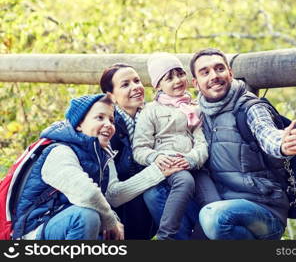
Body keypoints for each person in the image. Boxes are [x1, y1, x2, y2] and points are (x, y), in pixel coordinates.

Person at [13, 93, 175, 240]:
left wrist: (158, 172)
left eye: (111, 120)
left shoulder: (101, 153)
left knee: (97, 219)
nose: (108, 124)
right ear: (79, 125)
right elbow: (87, 194)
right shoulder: (60, 152)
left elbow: (112, 195)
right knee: (86, 216)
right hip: (36, 231)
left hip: (69, 225)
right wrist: (111, 221)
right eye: (99, 118)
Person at [189, 48, 296, 240]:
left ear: (230, 73)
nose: (214, 76)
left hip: (262, 209)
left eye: (219, 69)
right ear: (195, 83)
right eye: (205, 72)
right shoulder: (196, 114)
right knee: (162, 198)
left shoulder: (250, 107)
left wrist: (283, 144)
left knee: (213, 217)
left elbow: (267, 134)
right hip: (220, 204)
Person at [100, 63, 186, 239]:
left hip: (151, 204)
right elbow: (111, 195)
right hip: (119, 214)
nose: (136, 87)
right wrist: (158, 170)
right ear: (111, 97)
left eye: (137, 81)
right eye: (125, 84)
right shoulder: (107, 130)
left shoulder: (154, 114)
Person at [132, 53, 208, 240]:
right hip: (167, 164)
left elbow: (201, 141)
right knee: (185, 182)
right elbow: (140, 148)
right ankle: (165, 236)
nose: (177, 81)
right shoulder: (150, 111)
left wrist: (191, 159)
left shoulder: (195, 107)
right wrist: (155, 158)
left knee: (212, 204)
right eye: (169, 77)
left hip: (193, 164)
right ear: (158, 85)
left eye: (180, 74)